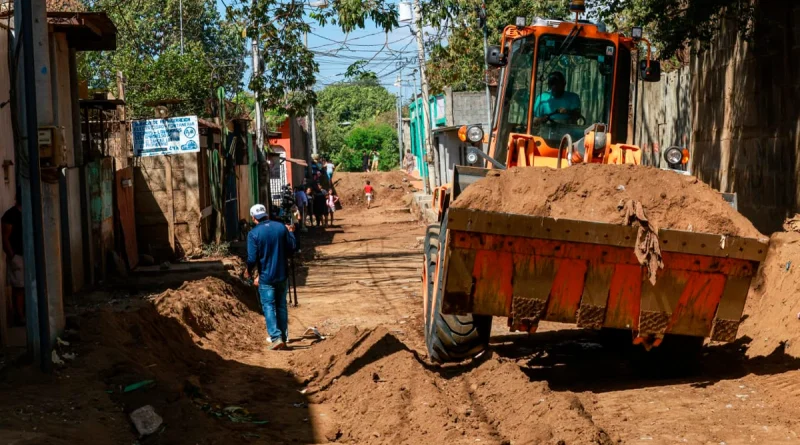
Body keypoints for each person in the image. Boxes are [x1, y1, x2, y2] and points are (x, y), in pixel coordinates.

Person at [246, 203, 296, 350]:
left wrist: (249, 270)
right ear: (266, 214)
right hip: (282, 274)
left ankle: (276, 337)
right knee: (281, 305)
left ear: (254, 218)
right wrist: (291, 232)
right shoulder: (281, 227)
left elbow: (251, 258)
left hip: (266, 277)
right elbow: (292, 248)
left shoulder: (254, 234)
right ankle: (284, 337)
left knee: (268, 306)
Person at [2, 189, 23, 327]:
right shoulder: (10, 215)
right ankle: (20, 317)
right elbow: (5, 238)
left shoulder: (30, 212)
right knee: (19, 288)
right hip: (18, 256)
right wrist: (12, 256)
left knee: (25, 287)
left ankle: (23, 315)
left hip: (28, 256)